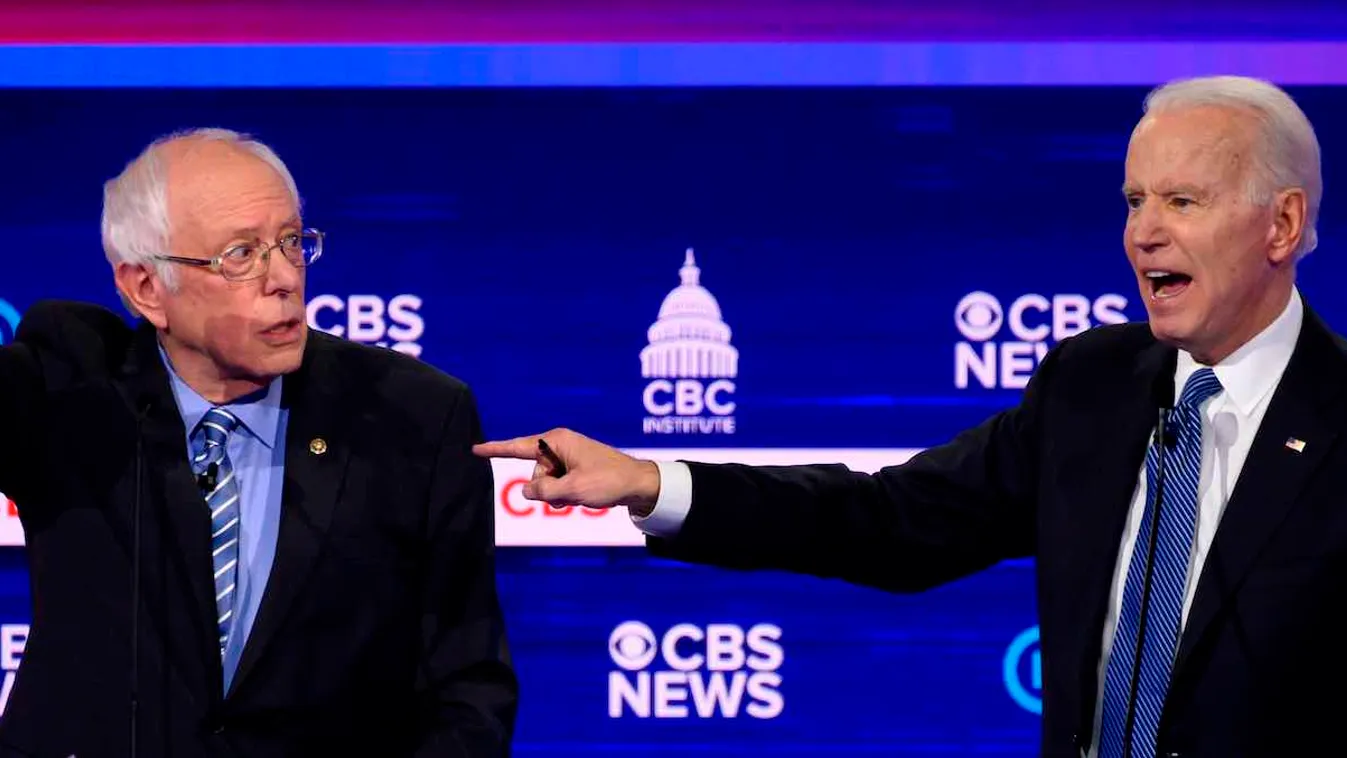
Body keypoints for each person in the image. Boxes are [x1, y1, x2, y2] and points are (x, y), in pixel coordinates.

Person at [476, 75, 1340, 757]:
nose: (1142, 234)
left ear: (1282, 224)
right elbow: (887, 520)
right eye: (1131, 201)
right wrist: (650, 483)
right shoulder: (1093, 386)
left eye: (1181, 202)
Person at [0, 129, 517, 756]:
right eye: (239, 255)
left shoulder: (415, 416)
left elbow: (466, 688)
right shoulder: (71, 396)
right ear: (146, 290)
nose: (283, 279)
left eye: (292, 242)